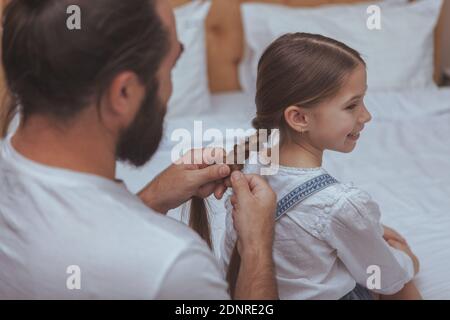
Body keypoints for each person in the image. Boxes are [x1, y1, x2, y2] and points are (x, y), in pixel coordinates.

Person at [0, 0, 277, 299]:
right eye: (171, 68)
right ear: (124, 93)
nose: (169, 90)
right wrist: (257, 249)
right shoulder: (171, 266)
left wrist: (150, 199)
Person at [220, 33, 422, 300]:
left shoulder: (244, 165)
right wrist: (407, 260)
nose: (367, 116)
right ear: (299, 118)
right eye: (351, 105)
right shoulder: (340, 204)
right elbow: (385, 278)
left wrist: (365, 228)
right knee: (401, 284)